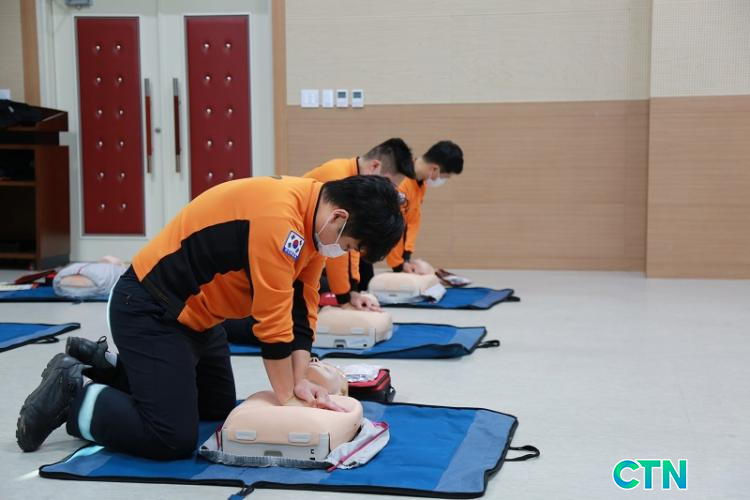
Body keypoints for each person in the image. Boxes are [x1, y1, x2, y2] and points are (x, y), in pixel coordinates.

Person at [16, 175, 404, 460]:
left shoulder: (314, 222)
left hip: (201, 317)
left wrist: (301, 380)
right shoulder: (280, 220)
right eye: (349, 244)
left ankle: (104, 368)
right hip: (151, 308)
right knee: (171, 437)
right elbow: (272, 323)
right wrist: (288, 399)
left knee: (216, 410)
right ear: (338, 216)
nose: (342, 252)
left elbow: (303, 307)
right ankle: (75, 393)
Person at [303, 138, 415, 310]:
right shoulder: (338, 176)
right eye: (388, 183)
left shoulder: (352, 177)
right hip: (298, 251)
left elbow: (351, 247)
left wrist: (353, 290)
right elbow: (338, 245)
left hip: (313, 251)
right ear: (374, 166)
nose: (387, 191)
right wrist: (344, 297)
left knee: (363, 269)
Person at [386, 140, 464, 273]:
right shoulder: (401, 183)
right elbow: (393, 226)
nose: (442, 181)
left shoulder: (420, 184)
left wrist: (406, 255)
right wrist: (398, 264)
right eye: (445, 177)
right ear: (435, 169)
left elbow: (412, 221)